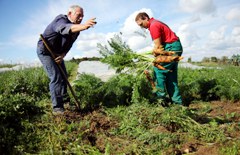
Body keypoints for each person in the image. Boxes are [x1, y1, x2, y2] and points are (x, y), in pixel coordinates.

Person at [37, 5, 96, 114]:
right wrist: (84, 26)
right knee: (56, 77)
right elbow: (64, 28)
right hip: (45, 51)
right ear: (70, 14)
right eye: (78, 15)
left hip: (57, 53)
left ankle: (65, 100)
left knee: (64, 76)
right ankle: (57, 108)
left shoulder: (76, 30)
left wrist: (63, 55)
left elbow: (69, 45)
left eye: (82, 16)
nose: (81, 18)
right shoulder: (60, 20)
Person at [135, 12, 183, 105]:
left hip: (171, 48)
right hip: (175, 47)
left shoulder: (153, 26)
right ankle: (177, 103)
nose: (142, 27)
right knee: (171, 77)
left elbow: (158, 47)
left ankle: (160, 101)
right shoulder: (156, 23)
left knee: (158, 72)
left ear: (145, 18)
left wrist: (154, 57)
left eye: (141, 24)